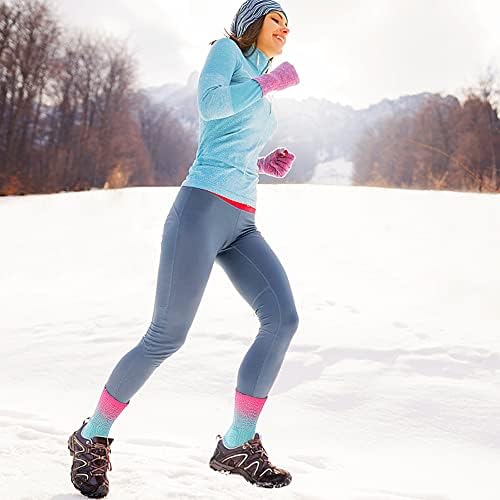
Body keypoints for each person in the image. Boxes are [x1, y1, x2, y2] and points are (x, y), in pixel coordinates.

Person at [67, 0, 300, 496]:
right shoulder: (226, 54)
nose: (285, 29)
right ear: (252, 24)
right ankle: (92, 436)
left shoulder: (261, 85)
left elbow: (224, 140)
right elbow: (211, 106)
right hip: (199, 210)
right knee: (165, 337)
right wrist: (264, 83)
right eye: (276, 19)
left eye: (289, 24)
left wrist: (263, 162)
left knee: (282, 319)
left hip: (242, 218)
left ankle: (237, 443)